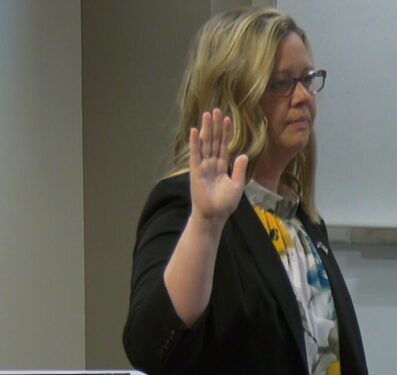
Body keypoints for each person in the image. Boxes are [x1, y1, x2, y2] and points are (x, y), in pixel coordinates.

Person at [122, 8, 367, 375]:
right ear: (237, 96)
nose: (303, 97)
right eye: (282, 83)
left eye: (307, 79)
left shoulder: (300, 222)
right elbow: (149, 345)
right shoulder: (185, 205)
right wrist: (205, 224)